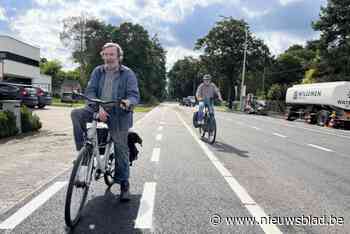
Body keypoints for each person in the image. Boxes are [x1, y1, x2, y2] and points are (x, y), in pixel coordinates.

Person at [71, 42, 140, 202]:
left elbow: (134, 95)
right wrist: (98, 107)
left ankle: (124, 183)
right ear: (103, 55)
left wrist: (128, 102)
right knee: (76, 114)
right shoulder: (98, 71)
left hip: (119, 113)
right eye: (106, 54)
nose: (108, 58)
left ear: (118, 57)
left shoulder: (128, 74)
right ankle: (83, 152)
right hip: (97, 107)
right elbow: (91, 90)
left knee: (121, 148)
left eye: (112, 55)